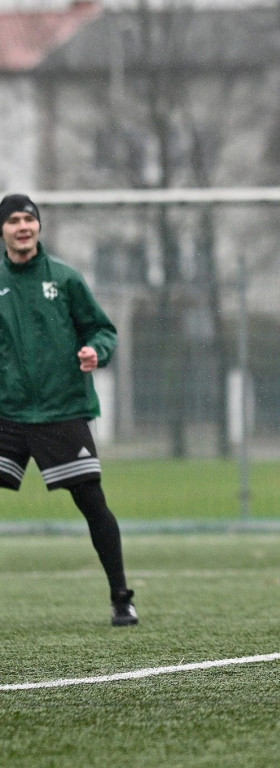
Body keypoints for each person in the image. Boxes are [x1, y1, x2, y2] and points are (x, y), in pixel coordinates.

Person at [0, 193, 137, 626]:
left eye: (29, 219)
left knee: (92, 503)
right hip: (8, 412)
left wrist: (96, 350)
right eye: (14, 220)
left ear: (38, 227)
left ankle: (121, 596)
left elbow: (102, 328)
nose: (23, 226)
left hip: (62, 410)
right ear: (2, 230)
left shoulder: (65, 278)